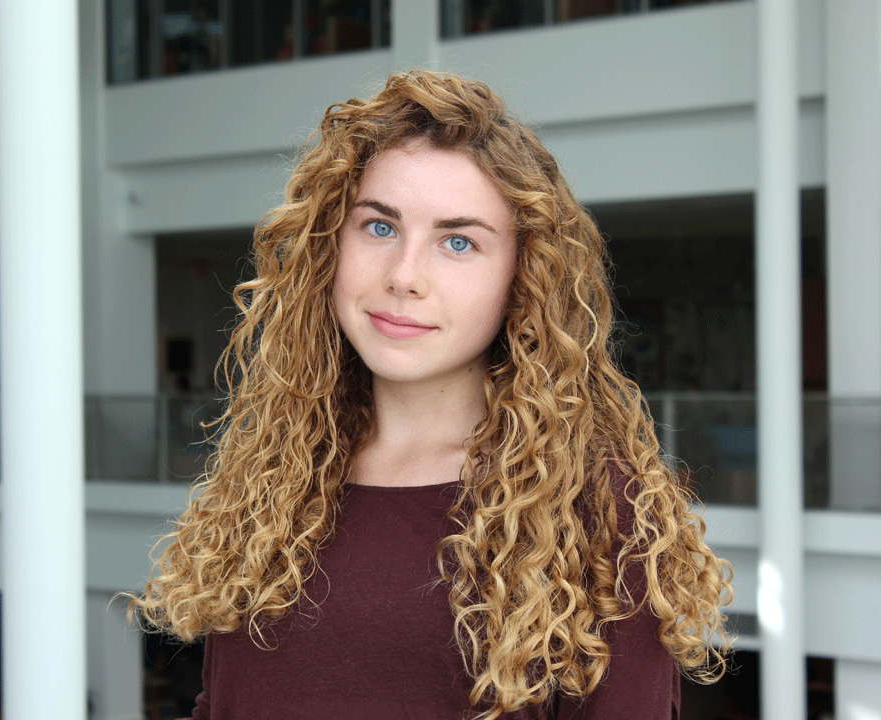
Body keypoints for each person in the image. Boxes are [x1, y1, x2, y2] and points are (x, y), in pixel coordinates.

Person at [130, 70, 732, 719]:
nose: (404, 276)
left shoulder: (602, 511)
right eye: (379, 227)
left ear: (523, 276)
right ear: (329, 243)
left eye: (458, 242)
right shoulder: (272, 475)